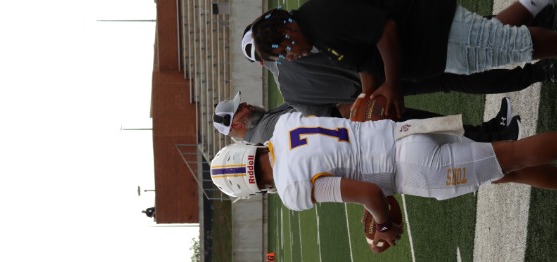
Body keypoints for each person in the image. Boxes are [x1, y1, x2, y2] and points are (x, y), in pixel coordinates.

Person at [210, 113, 557, 251]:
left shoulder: (291, 188)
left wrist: (383, 224)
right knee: (504, 171)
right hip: (403, 133)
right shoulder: (285, 125)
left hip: (414, 169)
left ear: (252, 187)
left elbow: (369, 192)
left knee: (511, 156)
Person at [250, 0, 557, 117]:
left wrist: (392, 85)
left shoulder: (322, 20)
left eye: (284, 53)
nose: (290, 58)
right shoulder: (316, 34)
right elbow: (363, 58)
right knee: (499, 39)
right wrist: (368, 94)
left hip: (432, 31)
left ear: (287, 32)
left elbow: (385, 30)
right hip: (432, 48)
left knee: (511, 45)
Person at [214, 92, 521, 145]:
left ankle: (490, 133)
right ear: (235, 124)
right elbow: (317, 115)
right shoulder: (265, 130)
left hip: (360, 124)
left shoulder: (263, 123)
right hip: (362, 127)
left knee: (432, 126)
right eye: (240, 108)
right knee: (431, 130)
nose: (246, 104)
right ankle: (495, 138)